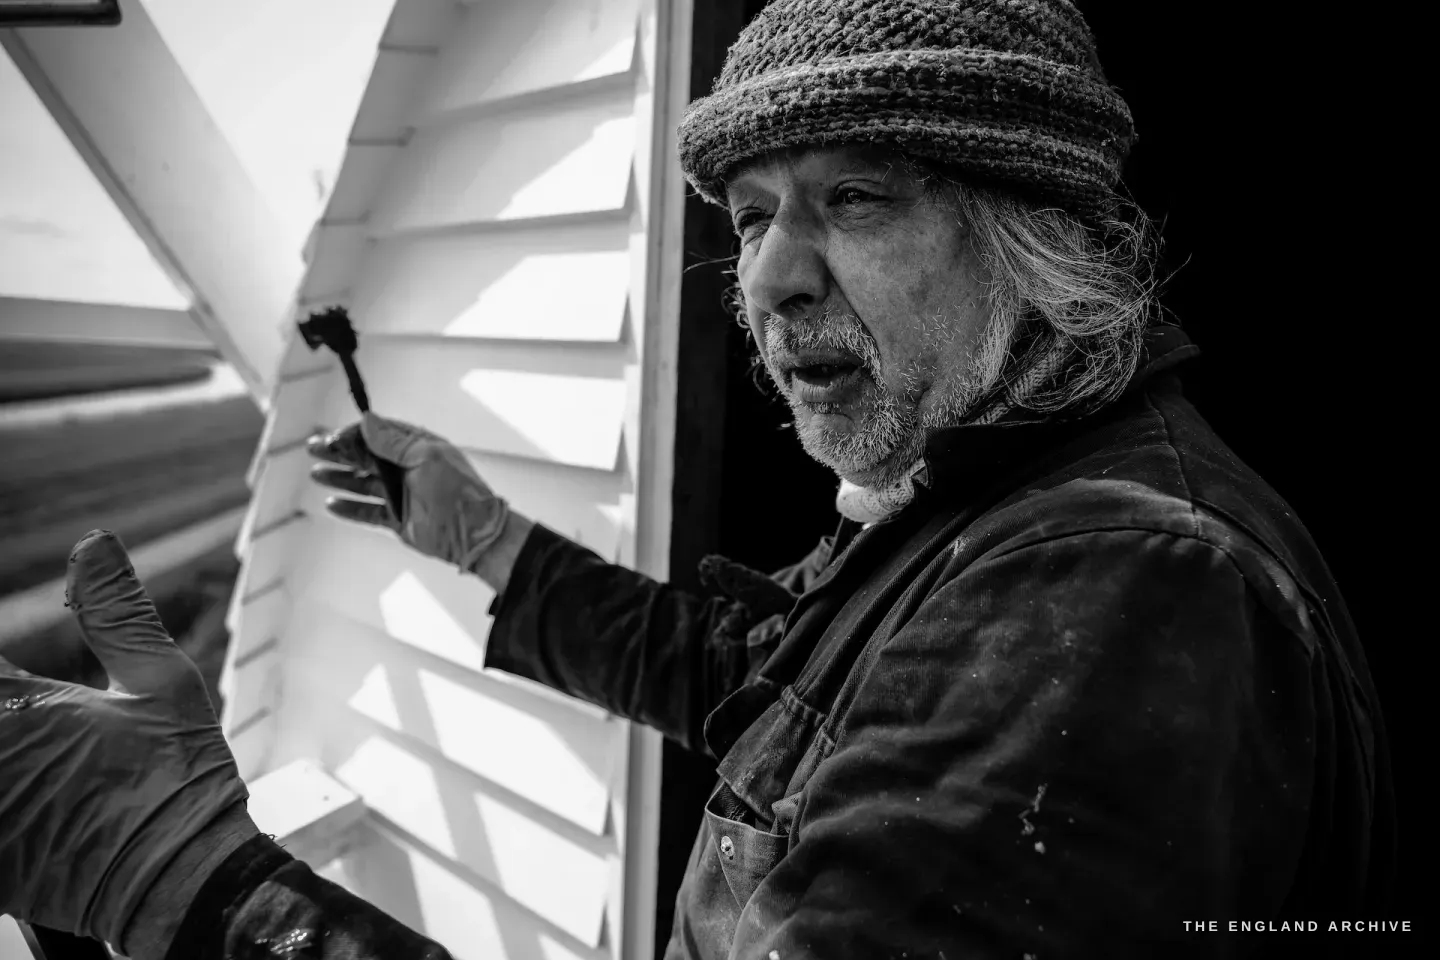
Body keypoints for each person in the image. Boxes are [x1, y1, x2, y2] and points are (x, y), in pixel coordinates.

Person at [0, 1, 1395, 958]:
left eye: (855, 199)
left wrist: (185, 878)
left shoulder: (1119, 592)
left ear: (1035, 232)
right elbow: (763, 676)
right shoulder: (974, 510)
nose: (774, 279)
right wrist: (487, 540)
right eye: (751, 216)